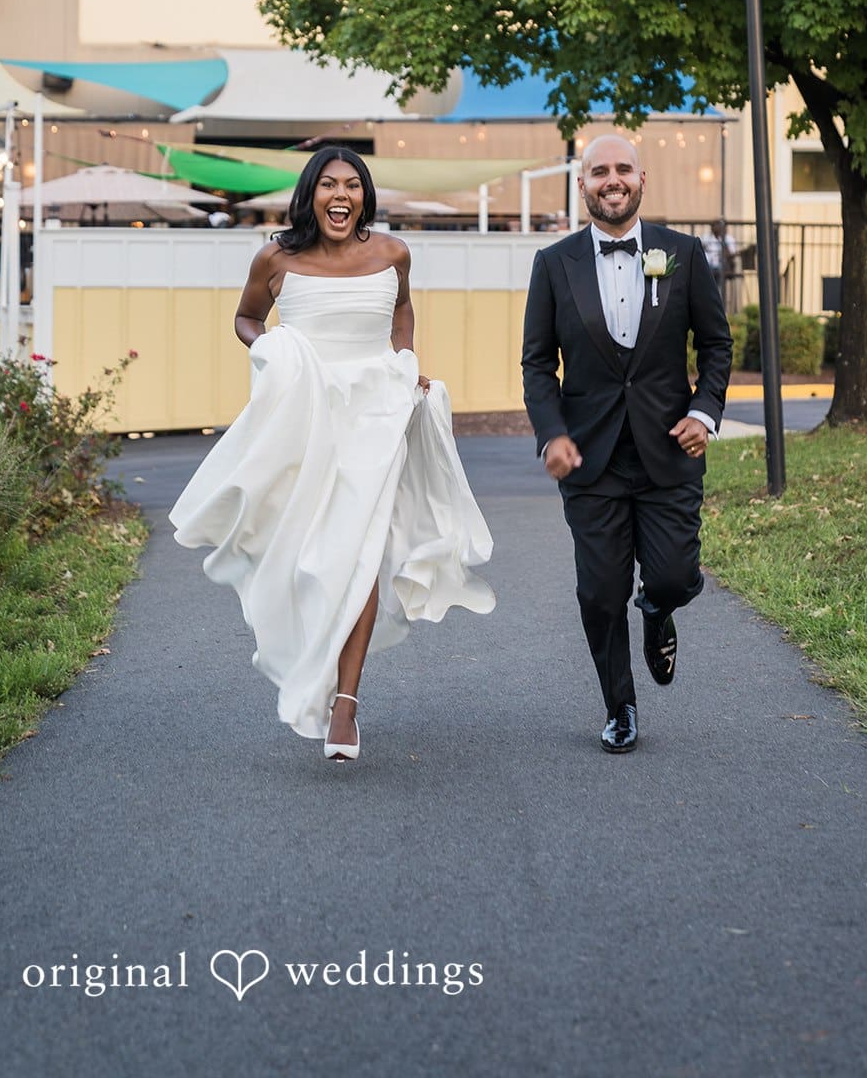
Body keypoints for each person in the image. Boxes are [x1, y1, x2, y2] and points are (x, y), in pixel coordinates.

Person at [171, 146, 495, 760]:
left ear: (364, 197)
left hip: (376, 417)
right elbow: (245, 320)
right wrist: (273, 353)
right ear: (310, 195)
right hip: (306, 419)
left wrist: (408, 363)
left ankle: (345, 703)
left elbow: (402, 312)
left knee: (359, 550)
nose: (340, 194)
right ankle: (307, 661)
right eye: (328, 185)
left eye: (352, 185)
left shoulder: (393, 254)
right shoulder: (275, 258)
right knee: (309, 559)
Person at [521, 135, 732, 755]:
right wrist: (551, 433)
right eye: (598, 172)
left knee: (670, 576)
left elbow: (717, 347)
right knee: (600, 593)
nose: (611, 181)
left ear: (643, 179)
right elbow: (537, 364)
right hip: (590, 459)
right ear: (582, 185)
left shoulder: (685, 254)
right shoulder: (554, 264)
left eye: (622, 170)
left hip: (670, 449)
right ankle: (620, 706)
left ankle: (659, 612)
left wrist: (705, 410)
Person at [702, 217, 737, 304]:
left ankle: (717, 302)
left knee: (718, 283)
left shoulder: (728, 239)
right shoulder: (706, 237)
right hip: (707, 266)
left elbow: (731, 254)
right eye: (714, 226)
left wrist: (722, 240)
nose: (716, 228)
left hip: (722, 267)